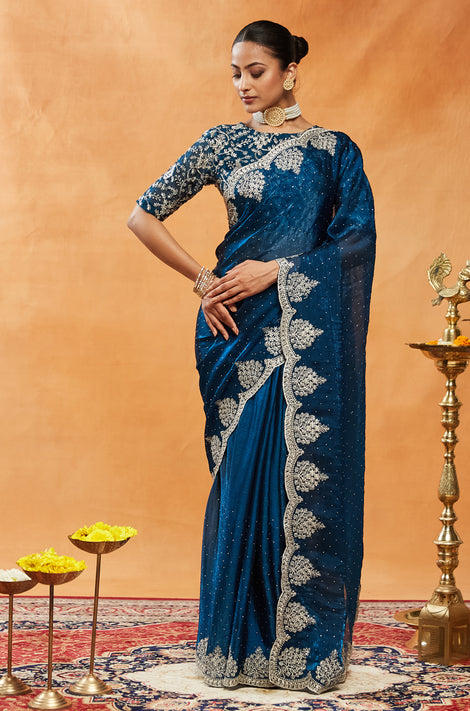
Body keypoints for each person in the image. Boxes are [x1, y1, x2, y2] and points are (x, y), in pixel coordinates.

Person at [127, 20, 376, 693]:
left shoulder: (334, 152)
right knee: (242, 481)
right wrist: (203, 281)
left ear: (290, 71)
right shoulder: (221, 144)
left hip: (301, 330)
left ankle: (299, 648)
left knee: (299, 477)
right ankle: (235, 646)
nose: (242, 84)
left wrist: (279, 270)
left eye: (256, 71)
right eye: (235, 73)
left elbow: (354, 244)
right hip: (233, 331)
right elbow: (142, 215)